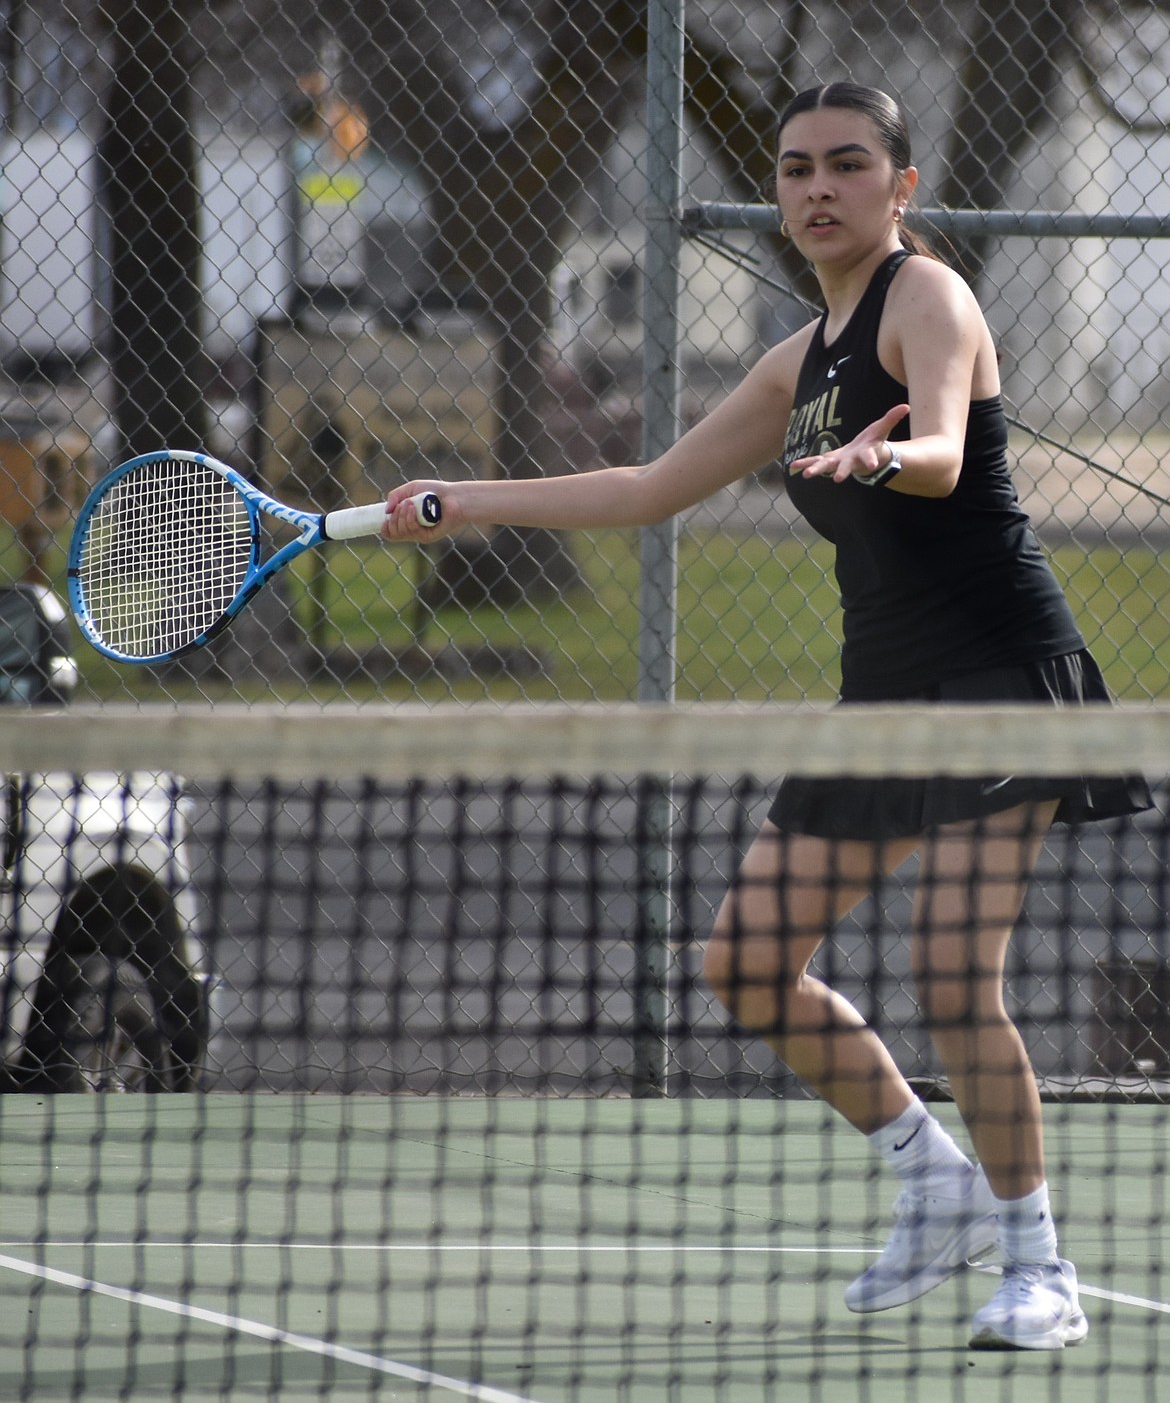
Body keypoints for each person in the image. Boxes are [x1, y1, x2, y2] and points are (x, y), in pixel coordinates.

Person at [380, 80, 1150, 1350]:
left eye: (849, 165)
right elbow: (644, 488)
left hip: (1001, 678)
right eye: (797, 169)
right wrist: (469, 499)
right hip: (883, 695)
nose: (817, 189)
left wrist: (883, 457)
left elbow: (949, 445)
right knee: (743, 958)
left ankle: (1041, 1270)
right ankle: (931, 1175)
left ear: (900, 186)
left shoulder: (931, 299)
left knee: (955, 974)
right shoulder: (795, 364)